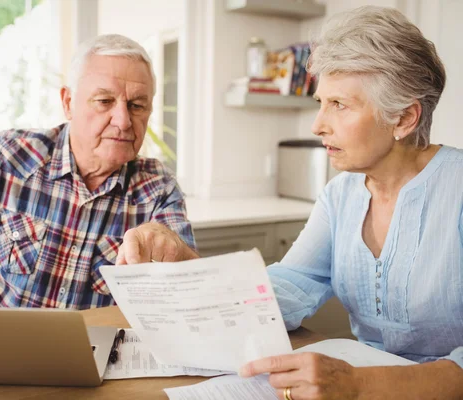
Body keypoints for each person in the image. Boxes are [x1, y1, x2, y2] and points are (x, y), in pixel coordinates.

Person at [115, 6, 463, 399]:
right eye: (321, 102)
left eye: (339, 105)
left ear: (404, 119)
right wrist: (188, 266)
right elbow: (286, 288)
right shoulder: (341, 196)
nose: (318, 125)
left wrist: (360, 384)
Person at [0, 34, 196, 309]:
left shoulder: (159, 188)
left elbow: (191, 287)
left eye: (137, 105)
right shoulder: (7, 157)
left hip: (94, 351)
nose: (123, 121)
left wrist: (173, 248)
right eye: (104, 101)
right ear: (68, 102)